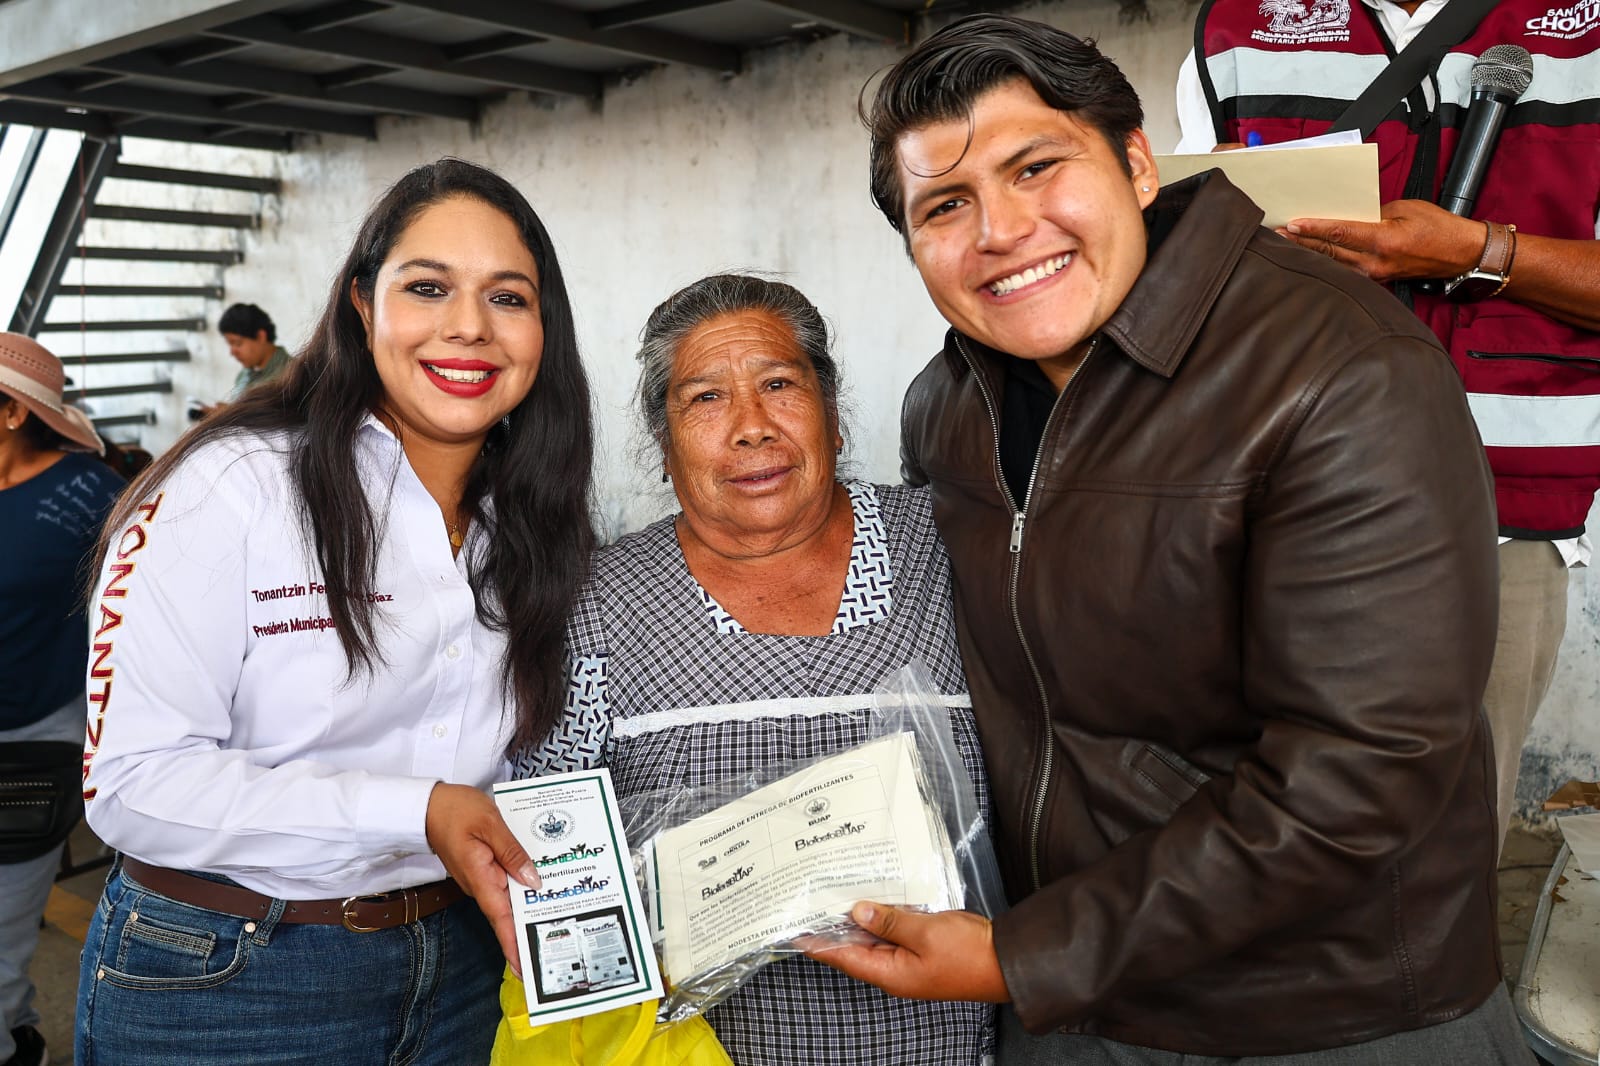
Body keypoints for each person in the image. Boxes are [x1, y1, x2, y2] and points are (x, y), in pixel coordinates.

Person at [814, 14, 1531, 1064]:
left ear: (1138, 163)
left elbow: (1358, 772)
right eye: (946, 204)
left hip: (1318, 1017)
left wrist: (1026, 957)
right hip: (1073, 1006)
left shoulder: (1339, 372)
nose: (1000, 230)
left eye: (1035, 167)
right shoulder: (949, 407)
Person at [75, 158, 595, 1065]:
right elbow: (133, 786)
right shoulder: (231, 486)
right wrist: (419, 809)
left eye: (508, 298)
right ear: (362, 302)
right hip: (228, 978)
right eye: (428, 287)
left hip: (463, 965)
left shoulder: (536, 517)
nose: (469, 327)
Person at [514, 273, 995, 1065]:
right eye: (705, 399)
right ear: (663, 446)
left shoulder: (949, 551)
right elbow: (550, 857)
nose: (751, 428)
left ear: (833, 417)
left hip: (960, 1043)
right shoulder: (595, 606)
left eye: (779, 384)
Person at [1175, 0, 1600, 851]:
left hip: (1504, 517)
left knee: (1451, 835)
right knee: (1262, 824)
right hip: (1270, 498)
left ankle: (1461, 988)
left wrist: (1480, 250)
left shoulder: (1585, 30)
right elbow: (1181, 269)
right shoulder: (1234, 27)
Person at [0, 334, 122, 1066]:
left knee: (5, 927)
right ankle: (20, 1036)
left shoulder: (91, 497)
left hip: (31, 738)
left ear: (12, 412)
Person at [195, 303, 293, 417]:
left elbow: (279, 423)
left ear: (261, 336)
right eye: (229, 345)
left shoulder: (291, 375)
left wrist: (231, 414)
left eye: (237, 343)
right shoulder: (245, 374)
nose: (232, 352)